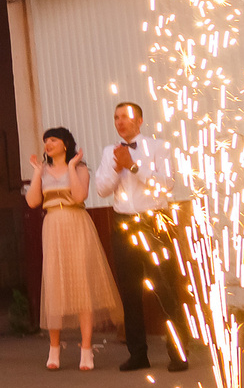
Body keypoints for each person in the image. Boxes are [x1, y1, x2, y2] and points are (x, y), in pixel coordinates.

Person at [102, 102, 192, 373]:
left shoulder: (159, 147)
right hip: (123, 221)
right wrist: (117, 169)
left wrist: (133, 167)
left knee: (164, 287)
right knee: (129, 290)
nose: (120, 122)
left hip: (155, 221)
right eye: (116, 117)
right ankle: (137, 353)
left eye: (126, 117)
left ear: (139, 121)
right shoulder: (110, 151)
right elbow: (102, 189)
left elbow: (166, 184)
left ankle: (178, 353)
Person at [26, 128, 121, 371]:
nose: (48, 144)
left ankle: (86, 349)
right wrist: (37, 172)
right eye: (46, 141)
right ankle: (54, 348)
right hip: (53, 225)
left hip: (77, 223)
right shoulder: (43, 170)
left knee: (82, 285)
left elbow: (79, 196)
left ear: (65, 144)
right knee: (55, 283)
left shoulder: (79, 169)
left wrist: (70, 167)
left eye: (53, 140)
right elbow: (33, 201)